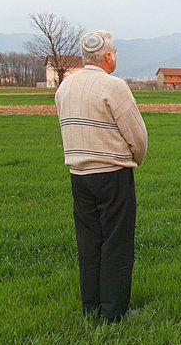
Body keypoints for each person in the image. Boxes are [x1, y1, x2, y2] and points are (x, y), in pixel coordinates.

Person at [54, 30, 148, 322]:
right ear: (108, 56)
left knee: (89, 242)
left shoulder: (65, 87)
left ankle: (91, 307)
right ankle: (114, 312)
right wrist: (135, 159)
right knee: (116, 243)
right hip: (112, 173)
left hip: (78, 174)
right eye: (115, 52)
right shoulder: (114, 86)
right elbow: (137, 134)